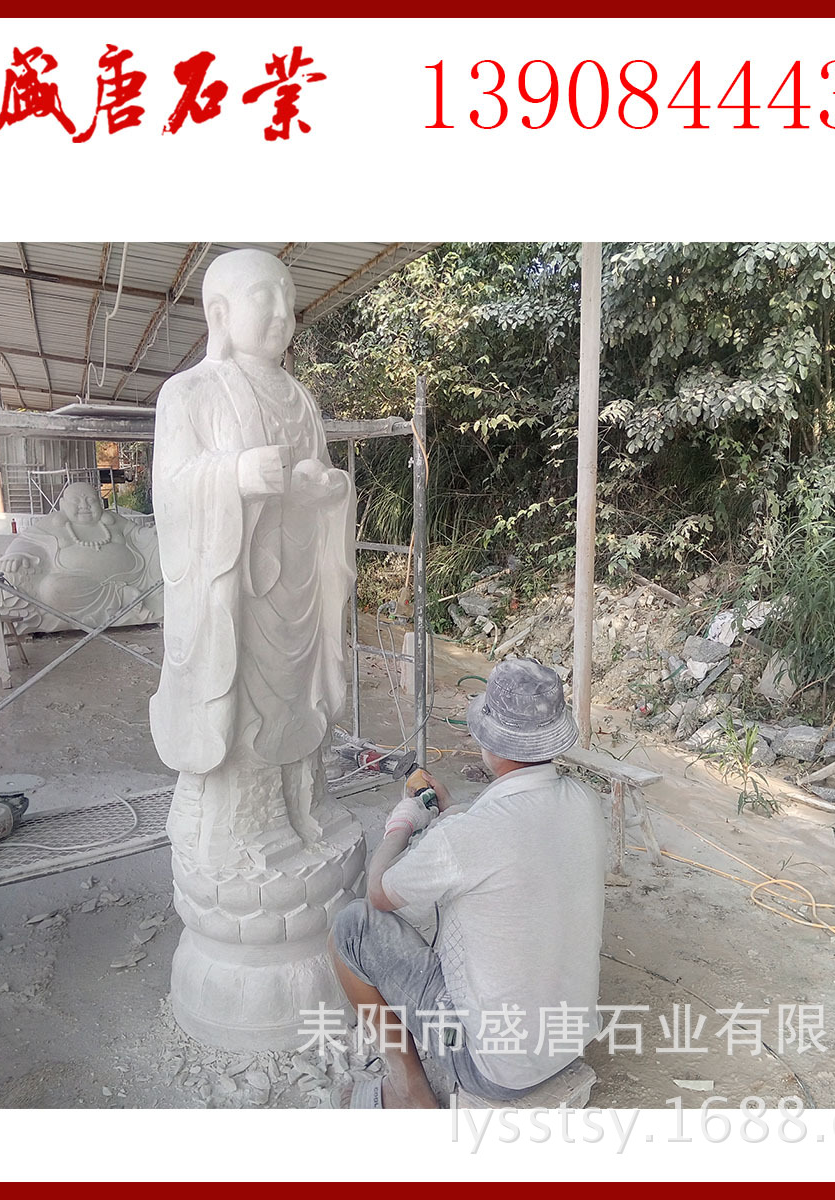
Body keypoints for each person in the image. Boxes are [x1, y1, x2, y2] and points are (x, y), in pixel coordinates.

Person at [148, 249, 355, 864]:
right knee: (245, 713)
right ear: (220, 313)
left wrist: (328, 491)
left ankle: (307, 807)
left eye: (289, 300)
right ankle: (245, 831)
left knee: (296, 701)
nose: (283, 313)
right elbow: (170, 490)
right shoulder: (189, 392)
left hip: (297, 583)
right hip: (237, 591)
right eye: (265, 297)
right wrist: (234, 473)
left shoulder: (300, 397)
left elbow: (315, 477)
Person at [329, 658, 607, 1108]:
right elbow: (511, 838)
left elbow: (379, 893)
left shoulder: (469, 835)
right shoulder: (584, 801)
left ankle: (410, 1093)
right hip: (566, 1042)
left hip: (493, 1069)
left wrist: (402, 822)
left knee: (352, 927)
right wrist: (452, 811)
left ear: (489, 742)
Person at [0, 480, 161, 632]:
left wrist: (153, 534)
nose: (84, 506)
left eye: (91, 501)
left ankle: (142, 599)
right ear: (63, 504)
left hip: (137, 577)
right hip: (77, 586)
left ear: (100, 503)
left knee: (159, 549)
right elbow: (26, 541)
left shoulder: (113, 520)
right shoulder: (51, 524)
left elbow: (139, 534)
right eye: (76, 501)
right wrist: (16, 555)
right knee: (52, 588)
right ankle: (122, 596)